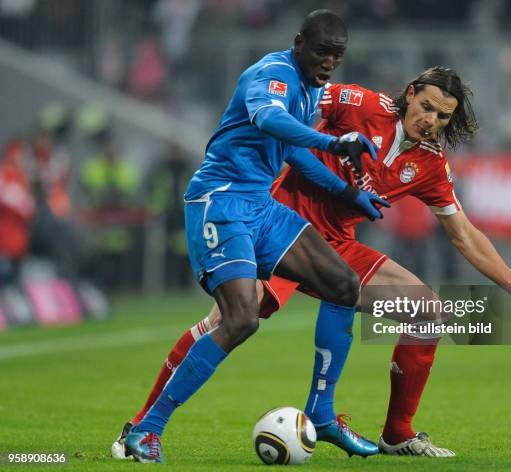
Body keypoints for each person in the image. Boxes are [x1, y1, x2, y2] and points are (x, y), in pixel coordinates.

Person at [114, 66, 511, 461]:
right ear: (410, 93)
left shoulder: (429, 163)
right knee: (229, 321)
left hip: (337, 247)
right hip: (277, 228)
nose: (432, 121)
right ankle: (139, 426)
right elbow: (293, 101)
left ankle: (397, 434)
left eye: (443, 116)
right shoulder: (361, 104)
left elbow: (464, 234)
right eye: (426, 107)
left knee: (426, 312)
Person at [121, 10, 390, 463]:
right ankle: (148, 428)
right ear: (299, 42)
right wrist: (333, 144)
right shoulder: (273, 73)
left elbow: (291, 152)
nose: (329, 63)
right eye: (322, 52)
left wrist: (347, 192)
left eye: (337, 56)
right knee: (242, 317)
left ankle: (321, 416)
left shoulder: (311, 90)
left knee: (344, 286)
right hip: (220, 201)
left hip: (261, 207)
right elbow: (268, 121)